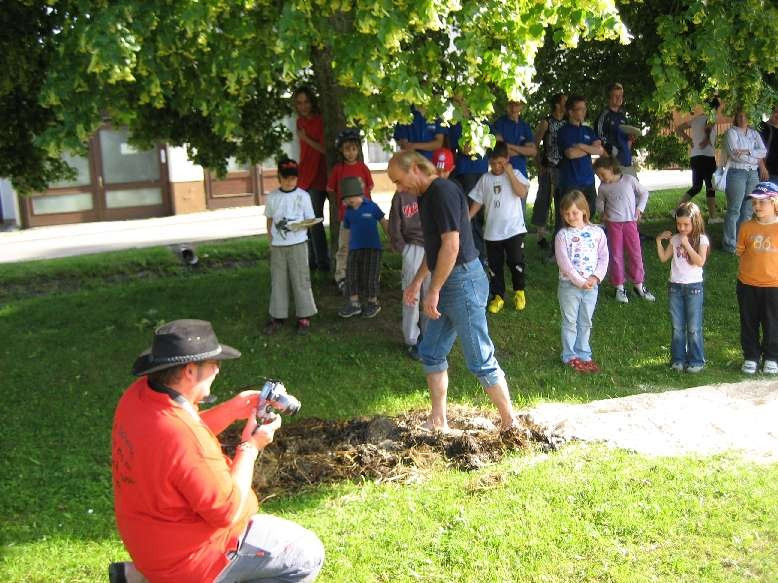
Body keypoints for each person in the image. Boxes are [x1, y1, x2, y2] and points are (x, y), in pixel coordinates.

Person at [110, 319, 324, 583]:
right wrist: (251, 446)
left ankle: (141, 576)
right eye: (214, 363)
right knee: (306, 554)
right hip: (187, 559)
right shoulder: (183, 436)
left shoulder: (138, 397)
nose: (218, 370)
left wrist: (233, 409)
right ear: (190, 371)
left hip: (149, 541)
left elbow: (180, 445)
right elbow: (228, 510)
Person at [388, 150, 517, 432]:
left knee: (479, 359)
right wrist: (417, 281)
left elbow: (451, 246)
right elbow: (433, 248)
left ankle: (510, 423)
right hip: (447, 279)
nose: (400, 188)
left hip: (462, 282)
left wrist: (433, 290)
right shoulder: (427, 195)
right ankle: (438, 420)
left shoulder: (442, 192)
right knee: (431, 351)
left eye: (399, 181)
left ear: (415, 169)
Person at [467, 141, 530, 313]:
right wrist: (467, 218)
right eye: (493, 163)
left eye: (500, 163)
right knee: (494, 266)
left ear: (507, 159)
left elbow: (522, 193)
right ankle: (498, 296)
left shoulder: (515, 173)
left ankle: (519, 292)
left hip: (514, 230)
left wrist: (509, 173)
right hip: (492, 233)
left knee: (516, 262)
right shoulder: (485, 179)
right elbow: (478, 201)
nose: (496, 167)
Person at [554, 190, 609, 373]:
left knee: (585, 321)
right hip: (569, 286)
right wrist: (579, 281)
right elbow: (565, 263)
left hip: (591, 286)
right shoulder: (563, 235)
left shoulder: (597, 232)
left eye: (575, 213)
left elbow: (603, 257)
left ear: (584, 211)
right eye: (567, 213)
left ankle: (584, 353)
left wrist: (595, 277)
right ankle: (569, 355)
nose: (571, 217)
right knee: (570, 321)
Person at [263, 158, 318, 336]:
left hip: (298, 244)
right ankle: (277, 315)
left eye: (293, 178)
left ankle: (304, 315)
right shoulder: (273, 197)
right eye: (286, 178)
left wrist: (300, 225)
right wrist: (270, 239)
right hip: (279, 245)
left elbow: (310, 220)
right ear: (279, 177)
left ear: (297, 178)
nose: (289, 181)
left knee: (300, 279)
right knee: (278, 280)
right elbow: (270, 220)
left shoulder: (303, 196)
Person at [656, 202, 710, 373]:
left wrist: (686, 244)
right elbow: (664, 258)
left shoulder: (701, 239)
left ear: (695, 222)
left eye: (686, 224)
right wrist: (659, 241)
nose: (681, 227)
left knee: (693, 327)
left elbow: (700, 261)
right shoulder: (675, 238)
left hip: (693, 287)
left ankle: (696, 360)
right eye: (679, 224)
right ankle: (678, 359)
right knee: (677, 326)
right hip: (675, 287)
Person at [593, 156, 655, 303]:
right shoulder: (603, 187)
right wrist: (603, 212)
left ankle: (639, 285)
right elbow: (599, 201)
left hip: (630, 223)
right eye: (598, 176)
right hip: (613, 225)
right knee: (616, 255)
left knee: (635, 253)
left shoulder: (629, 180)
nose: (601, 178)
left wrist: (639, 209)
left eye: (602, 174)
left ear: (611, 168)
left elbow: (644, 193)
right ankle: (619, 287)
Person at [735, 181, 778, 375]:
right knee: (749, 322)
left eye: (762, 202)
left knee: (772, 323)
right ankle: (751, 356)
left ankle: (771, 357)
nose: (757, 207)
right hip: (747, 284)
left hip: (774, 286)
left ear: (774, 203)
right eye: (754, 203)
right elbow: (741, 252)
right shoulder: (746, 227)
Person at [326, 128, 374, 292]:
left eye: (354, 148)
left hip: (364, 218)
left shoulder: (363, 168)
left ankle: (364, 277)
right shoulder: (338, 170)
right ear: (341, 150)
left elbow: (369, 188)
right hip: (346, 217)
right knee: (345, 247)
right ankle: (342, 277)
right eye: (347, 149)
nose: (351, 152)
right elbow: (331, 189)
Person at [338, 176, 389, 319]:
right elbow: (347, 231)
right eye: (346, 199)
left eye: (351, 198)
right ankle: (354, 304)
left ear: (360, 194)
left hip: (373, 248)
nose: (349, 201)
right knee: (352, 275)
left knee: (371, 275)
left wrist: (391, 237)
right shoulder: (348, 211)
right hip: (354, 249)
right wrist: (345, 248)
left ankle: (373, 302)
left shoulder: (372, 206)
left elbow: (383, 221)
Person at [388, 184, 429, 360]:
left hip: (432, 246)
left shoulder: (429, 190)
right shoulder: (400, 196)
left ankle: (430, 335)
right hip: (412, 246)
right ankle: (412, 338)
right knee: (411, 294)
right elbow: (394, 223)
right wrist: (402, 247)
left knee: (431, 293)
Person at [292, 86, 330, 272]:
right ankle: (312, 262)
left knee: (315, 221)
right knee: (305, 222)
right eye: (299, 103)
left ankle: (323, 263)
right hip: (304, 176)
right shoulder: (299, 122)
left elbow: (324, 150)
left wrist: (306, 139)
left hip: (319, 176)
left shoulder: (320, 121)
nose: (303, 106)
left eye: (306, 101)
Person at [722, 110, 768, 253]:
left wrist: (747, 152)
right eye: (739, 115)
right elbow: (735, 155)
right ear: (735, 117)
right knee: (734, 209)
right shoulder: (731, 133)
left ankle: (742, 242)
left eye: (745, 115)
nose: (742, 118)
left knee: (748, 210)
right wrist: (754, 155)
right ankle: (730, 244)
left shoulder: (754, 133)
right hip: (737, 173)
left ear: (749, 117)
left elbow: (764, 152)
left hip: (752, 173)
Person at [557, 95, 605, 219]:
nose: (584, 111)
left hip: (588, 181)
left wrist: (581, 146)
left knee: (589, 215)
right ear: (571, 112)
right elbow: (571, 154)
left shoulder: (588, 130)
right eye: (580, 109)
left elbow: (599, 150)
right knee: (570, 219)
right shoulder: (563, 131)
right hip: (570, 184)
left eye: (585, 108)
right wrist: (589, 149)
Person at [675, 97, 723, 223]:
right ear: (714, 108)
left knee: (696, 186)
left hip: (695, 156)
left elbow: (678, 129)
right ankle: (713, 217)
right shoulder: (711, 116)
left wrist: (689, 140)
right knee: (710, 186)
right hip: (706, 156)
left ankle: (677, 209)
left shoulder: (696, 119)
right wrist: (707, 139)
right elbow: (708, 127)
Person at [447, 120, 489, 266]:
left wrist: (475, 145)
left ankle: (481, 255)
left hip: (482, 171)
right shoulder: (455, 122)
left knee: (480, 216)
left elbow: (488, 143)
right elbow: (464, 148)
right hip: (465, 173)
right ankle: (473, 255)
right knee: (470, 215)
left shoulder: (482, 119)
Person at [533, 93, 567, 254]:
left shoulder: (568, 122)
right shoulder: (546, 122)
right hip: (548, 167)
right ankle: (540, 236)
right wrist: (539, 165)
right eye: (564, 102)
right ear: (557, 105)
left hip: (564, 167)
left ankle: (559, 234)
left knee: (562, 201)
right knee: (543, 200)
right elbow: (535, 144)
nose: (566, 104)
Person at [594, 82, 637, 177]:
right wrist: (610, 155)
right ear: (609, 98)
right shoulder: (603, 116)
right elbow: (598, 139)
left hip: (627, 162)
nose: (619, 98)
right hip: (612, 165)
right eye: (616, 96)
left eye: (621, 95)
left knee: (636, 191)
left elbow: (628, 140)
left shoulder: (623, 117)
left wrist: (630, 139)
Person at [757, 105, 778, 183]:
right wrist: (762, 167)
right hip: (767, 173)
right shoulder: (762, 127)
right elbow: (756, 149)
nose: (777, 114)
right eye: (775, 112)